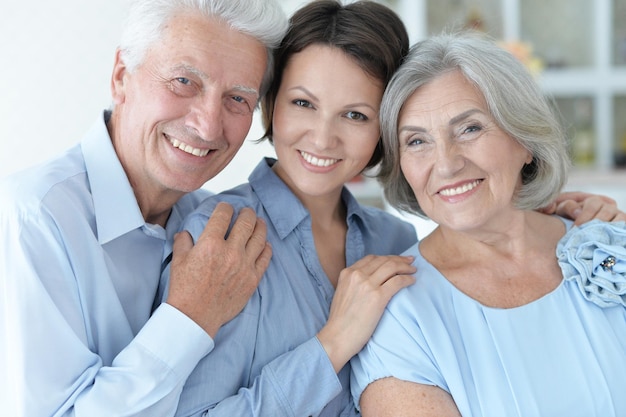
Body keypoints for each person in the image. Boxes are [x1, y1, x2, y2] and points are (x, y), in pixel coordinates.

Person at [169, 3, 626, 417]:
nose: (323, 138)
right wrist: (330, 346)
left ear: (382, 136)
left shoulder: (392, 241)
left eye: (355, 115)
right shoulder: (222, 236)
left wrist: (550, 208)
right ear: (271, 106)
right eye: (303, 103)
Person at [0, 1, 287, 416]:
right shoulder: (33, 218)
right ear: (121, 77)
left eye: (238, 98)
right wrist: (191, 314)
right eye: (184, 81)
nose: (207, 126)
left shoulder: (221, 230)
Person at [350, 32, 626, 416]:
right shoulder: (399, 318)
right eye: (416, 142)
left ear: (525, 139)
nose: (446, 164)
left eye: (470, 128)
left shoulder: (610, 246)